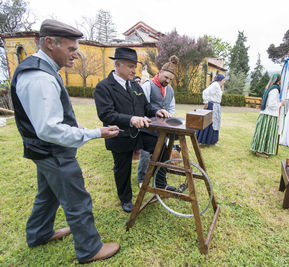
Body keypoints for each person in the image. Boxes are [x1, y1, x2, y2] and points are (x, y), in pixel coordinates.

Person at [10, 19, 120, 264]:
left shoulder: (41, 69)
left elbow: (45, 118)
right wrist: (94, 133)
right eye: (71, 49)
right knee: (77, 200)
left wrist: (74, 127)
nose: (76, 55)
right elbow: (48, 129)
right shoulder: (40, 77)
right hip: (53, 152)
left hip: (43, 152)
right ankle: (90, 249)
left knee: (47, 194)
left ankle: (39, 233)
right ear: (49, 43)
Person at [94, 47, 171, 213]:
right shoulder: (104, 87)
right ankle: (125, 199)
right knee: (123, 168)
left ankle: (160, 184)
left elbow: (145, 106)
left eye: (135, 66)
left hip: (140, 133)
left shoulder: (135, 86)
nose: (134, 70)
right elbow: (106, 115)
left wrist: (156, 111)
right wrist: (130, 119)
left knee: (162, 149)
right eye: (130, 66)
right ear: (117, 65)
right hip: (119, 135)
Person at [137, 56, 178, 188]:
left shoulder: (170, 90)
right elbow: (142, 106)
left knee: (162, 153)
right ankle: (142, 178)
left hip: (163, 128)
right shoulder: (148, 85)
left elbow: (171, 107)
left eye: (170, 79)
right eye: (166, 77)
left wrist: (168, 117)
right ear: (160, 72)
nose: (168, 81)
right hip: (147, 126)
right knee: (145, 155)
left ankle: (159, 180)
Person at [250, 73, 286, 157]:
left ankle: (260, 149)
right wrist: (281, 104)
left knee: (264, 133)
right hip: (269, 115)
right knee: (265, 133)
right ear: (279, 81)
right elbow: (272, 105)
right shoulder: (275, 90)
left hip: (267, 114)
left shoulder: (271, 88)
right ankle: (260, 151)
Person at [196, 74, 225, 145]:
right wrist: (206, 102)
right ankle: (203, 140)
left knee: (215, 123)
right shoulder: (215, 85)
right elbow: (205, 92)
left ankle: (212, 141)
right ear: (220, 80)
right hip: (212, 106)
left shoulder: (217, 86)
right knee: (209, 122)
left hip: (216, 106)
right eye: (224, 80)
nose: (224, 81)